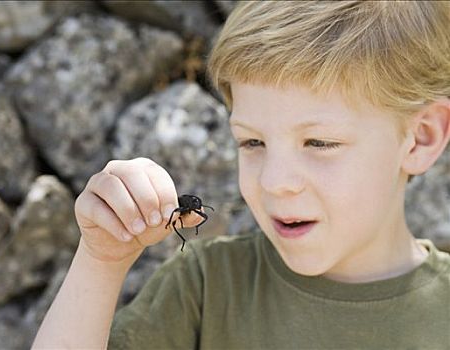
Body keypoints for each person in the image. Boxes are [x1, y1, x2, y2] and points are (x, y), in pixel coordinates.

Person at [32, 1, 450, 349]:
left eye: (319, 143)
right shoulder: (206, 287)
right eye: (252, 143)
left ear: (420, 138)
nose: (273, 181)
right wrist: (102, 260)